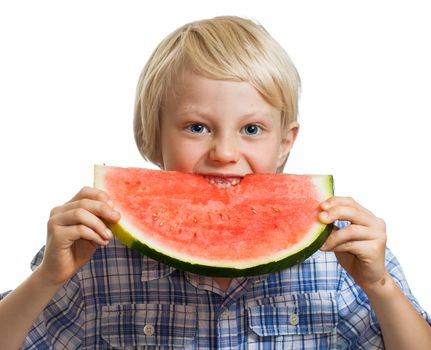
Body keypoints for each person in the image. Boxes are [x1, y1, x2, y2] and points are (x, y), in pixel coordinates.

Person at [1, 15, 430, 349]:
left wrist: (380, 287)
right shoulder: (93, 253)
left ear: (286, 142)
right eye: (197, 127)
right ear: (152, 134)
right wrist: (45, 280)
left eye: (252, 130)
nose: (224, 152)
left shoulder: (340, 255)